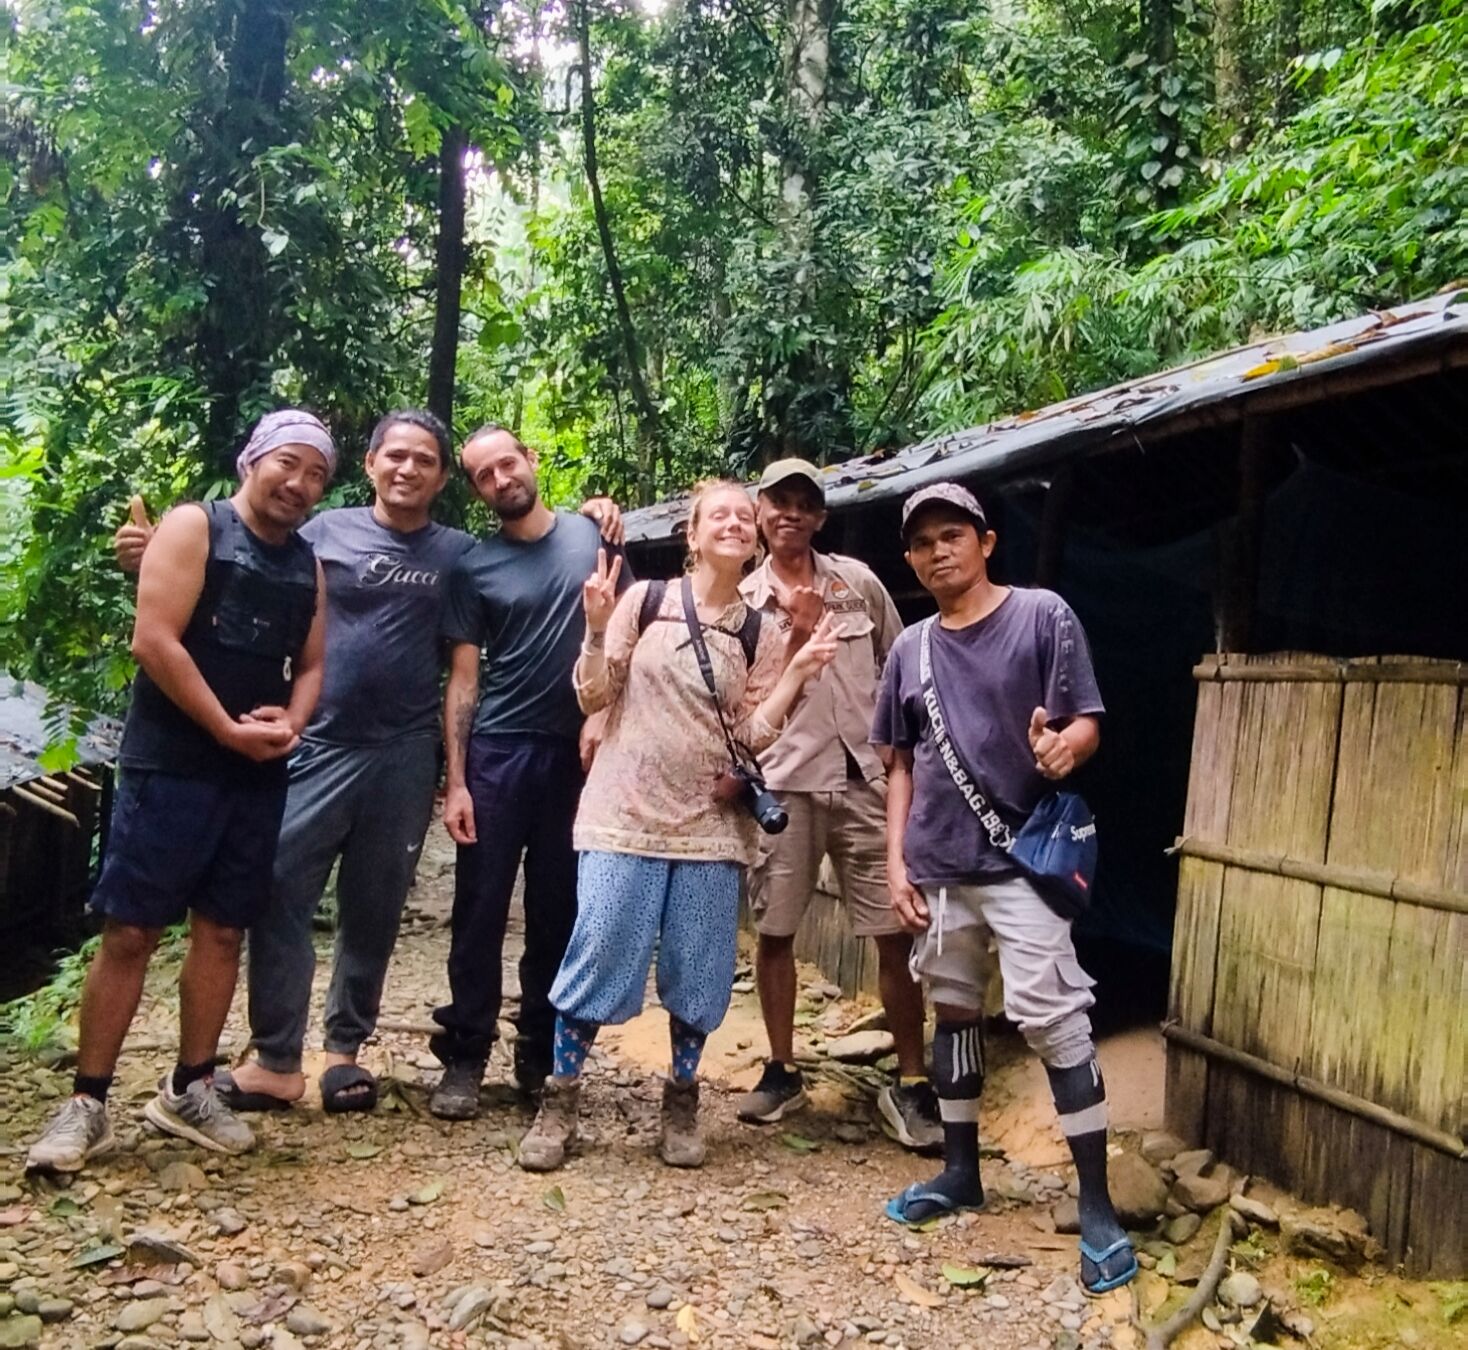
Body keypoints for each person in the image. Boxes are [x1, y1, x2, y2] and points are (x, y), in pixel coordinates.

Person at [114, 414, 623, 1115]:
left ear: (445, 480)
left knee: (375, 907)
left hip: (404, 752)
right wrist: (157, 557)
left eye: (425, 461)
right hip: (316, 742)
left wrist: (598, 512)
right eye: (396, 457)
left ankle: (344, 1053)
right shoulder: (320, 534)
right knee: (281, 892)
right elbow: (236, 568)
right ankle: (276, 1057)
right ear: (372, 463)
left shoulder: (461, 555)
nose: (408, 469)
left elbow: (486, 635)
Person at [27, 411, 331, 1171]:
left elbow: (316, 663)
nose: (298, 484)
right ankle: (86, 1102)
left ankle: (190, 1086)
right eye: (287, 464)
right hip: (173, 763)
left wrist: (291, 720)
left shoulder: (307, 564)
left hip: (254, 772)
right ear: (251, 460)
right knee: (131, 929)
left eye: (316, 474)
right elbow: (153, 639)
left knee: (224, 928)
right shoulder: (196, 526)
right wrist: (226, 728)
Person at [516, 480, 840, 1172]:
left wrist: (799, 669)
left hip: (710, 826)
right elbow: (594, 695)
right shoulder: (646, 600)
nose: (733, 524)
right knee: (597, 952)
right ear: (692, 536)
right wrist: (598, 628)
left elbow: (751, 734)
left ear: (753, 540)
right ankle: (561, 1096)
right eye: (716, 516)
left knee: (698, 970)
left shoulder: (760, 629)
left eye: (741, 518)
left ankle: (682, 1097)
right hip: (621, 814)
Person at [872, 481, 1137, 1296]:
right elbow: (900, 765)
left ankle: (1097, 1205)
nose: (936, 552)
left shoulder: (1043, 616)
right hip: (939, 865)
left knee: (1054, 1018)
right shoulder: (908, 648)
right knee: (953, 1013)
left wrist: (1069, 747)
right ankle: (960, 1172)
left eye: (952, 535)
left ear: (987, 542)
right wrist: (894, 860)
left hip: (1022, 864)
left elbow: (1086, 718)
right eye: (921, 543)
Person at [733, 459, 940, 1152]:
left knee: (894, 928)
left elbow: (901, 662)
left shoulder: (858, 582)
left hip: (865, 780)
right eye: (779, 501)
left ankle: (913, 1083)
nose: (790, 513)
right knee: (777, 929)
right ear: (761, 511)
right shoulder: (741, 598)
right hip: (783, 781)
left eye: (805, 503)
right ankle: (782, 1067)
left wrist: (901, 752)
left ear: (821, 516)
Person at [434, 426, 629, 1117]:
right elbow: (462, 680)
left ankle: (540, 1051)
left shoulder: (593, 538)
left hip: (576, 756)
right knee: (479, 908)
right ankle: (465, 1052)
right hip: (498, 752)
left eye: (507, 463)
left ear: (532, 461)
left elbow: (624, 640)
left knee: (559, 909)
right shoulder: (473, 568)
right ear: (478, 490)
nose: (500, 479)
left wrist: (607, 719)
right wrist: (457, 780)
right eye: (483, 475)